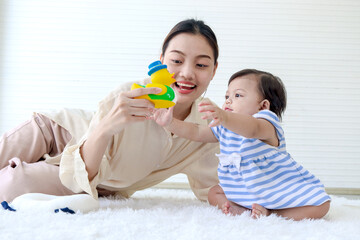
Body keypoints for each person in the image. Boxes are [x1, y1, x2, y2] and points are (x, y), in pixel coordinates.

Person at [0, 19, 220, 202]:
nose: (187, 73)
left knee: (11, 184)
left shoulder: (210, 126)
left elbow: (214, 188)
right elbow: (95, 139)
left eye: (201, 65)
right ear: (161, 61)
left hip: (89, 175)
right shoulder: (130, 95)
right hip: (56, 133)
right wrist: (107, 127)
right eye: (176, 60)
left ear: (214, 70)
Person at [152, 69, 331, 221]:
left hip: (272, 184)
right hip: (242, 186)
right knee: (214, 192)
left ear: (263, 106)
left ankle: (274, 213)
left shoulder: (266, 122)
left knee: (322, 205)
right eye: (227, 96)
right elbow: (196, 132)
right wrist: (170, 123)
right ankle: (236, 208)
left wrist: (225, 116)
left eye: (237, 95)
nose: (228, 101)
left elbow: (251, 130)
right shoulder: (224, 126)